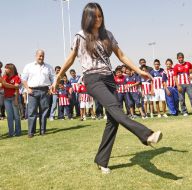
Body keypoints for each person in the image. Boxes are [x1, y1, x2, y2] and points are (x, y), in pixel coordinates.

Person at [52, 2, 162, 174]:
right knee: (115, 108)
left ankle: (101, 160)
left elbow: (121, 55)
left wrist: (139, 71)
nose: (98, 19)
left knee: (113, 120)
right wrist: (57, 77)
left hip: (109, 79)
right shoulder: (80, 36)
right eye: (94, 16)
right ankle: (146, 135)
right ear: (87, 17)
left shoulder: (108, 35)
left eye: (100, 15)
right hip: (92, 78)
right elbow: (71, 59)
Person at [22, 49, 54, 138]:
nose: (41, 57)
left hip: (45, 91)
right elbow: (23, 79)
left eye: (43, 56)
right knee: (32, 112)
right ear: (36, 56)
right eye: (39, 56)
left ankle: (43, 131)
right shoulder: (28, 66)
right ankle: (31, 132)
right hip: (32, 91)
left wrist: (51, 88)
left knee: (44, 112)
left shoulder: (49, 67)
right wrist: (27, 89)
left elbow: (53, 79)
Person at [0, 63, 21, 137]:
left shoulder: (16, 77)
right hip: (6, 99)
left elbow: (17, 90)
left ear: (11, 69)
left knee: (16, 116)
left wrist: (16, 99)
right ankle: (11, 133)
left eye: (6, 68)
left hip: (13, 98)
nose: (5, 69)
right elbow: (3, 85)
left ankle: (18, 132)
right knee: (9, 116)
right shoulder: (4, 77)